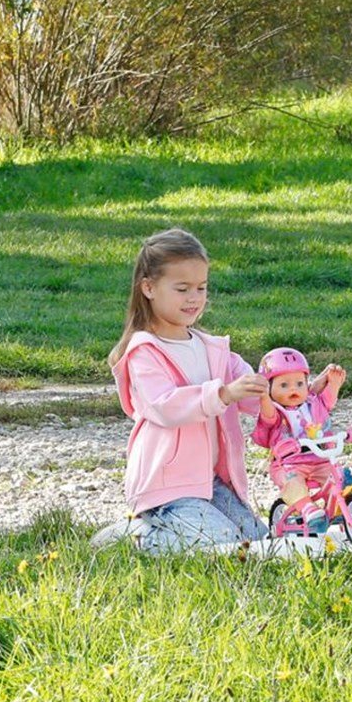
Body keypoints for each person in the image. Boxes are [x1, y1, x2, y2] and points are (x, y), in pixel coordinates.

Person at [100, 228, 270, 552]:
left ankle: (178, 526)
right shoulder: (144, 351)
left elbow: (249, 393)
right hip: (167, 487)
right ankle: (138, 536)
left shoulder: (212, 348)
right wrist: (222, 395)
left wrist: (281, 389)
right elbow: (164, 406)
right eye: (182, 289)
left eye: (201, 287)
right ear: (148, 288)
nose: (194, 298)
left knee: (260, 542)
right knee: (221, 545)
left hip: (210, 482)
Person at [253, 347, 349, 534]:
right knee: (293, 482)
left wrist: (333, 384)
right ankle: (307, 508)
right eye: (284, 385)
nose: (293, 390)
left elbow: (327, 401)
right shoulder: (276, 412)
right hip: (288, 464)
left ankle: (340, 505)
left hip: (318, 458)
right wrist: (263, 396)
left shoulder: (311, 404)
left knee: (336, 478)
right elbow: (267, 414)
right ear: (269, 388)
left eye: (299, 383)